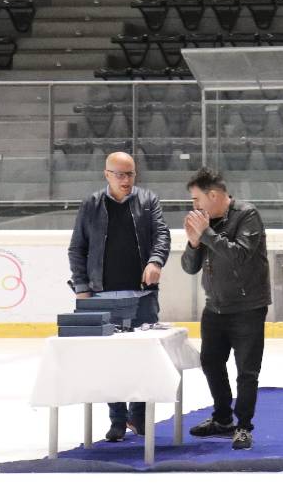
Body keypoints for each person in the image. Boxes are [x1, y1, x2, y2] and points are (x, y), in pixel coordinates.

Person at [67, 151, 170, 442]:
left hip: (142, 296)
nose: (126, 180)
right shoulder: (91, 204)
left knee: (144, 359)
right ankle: (117, 418)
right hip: (102, 296)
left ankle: (138, 415)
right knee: (108, 361)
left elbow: (162, 236)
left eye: (130, 174)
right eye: (120, 174)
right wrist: (82, 287)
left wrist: (155, 261)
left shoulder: (148, 200)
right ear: (107, 174)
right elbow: (77, 248)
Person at [182, 168, 270, 451]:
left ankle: (243, 426)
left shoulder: (247, 215)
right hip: (215, 307)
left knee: (247, 371)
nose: (195, 206)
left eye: (197, 199)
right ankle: (222, 418)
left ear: (213, 195)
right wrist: (194, 242)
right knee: (210, 362)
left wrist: (206, 234)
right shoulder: (206, 223)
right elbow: (189, 267)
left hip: (247, 307)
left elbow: (240, 255)